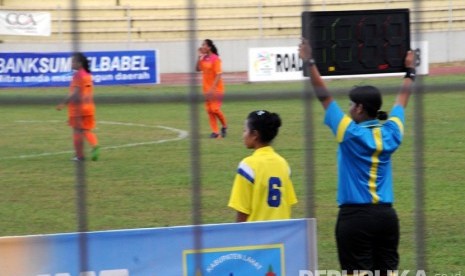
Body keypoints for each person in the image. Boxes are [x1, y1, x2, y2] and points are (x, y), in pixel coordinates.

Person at [299, 38, 415, 275]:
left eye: (351, 104)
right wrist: (410, 71)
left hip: (355, 218)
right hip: (386, 217)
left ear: (360, 108)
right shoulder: (392, 132)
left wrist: (309, 62)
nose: (348, 108)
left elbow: (324, 97)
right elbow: (402, 101)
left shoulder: (349, 133)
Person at [228, 110, 298, 222]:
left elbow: (242, 212)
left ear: (255, 135)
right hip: (281, 237)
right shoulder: (283, 164)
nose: (243, 135)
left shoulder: (247, 166)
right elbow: (287, 204)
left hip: (257, 238)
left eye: (245, 130)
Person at [56, 52, 100, 161]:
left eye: (73, 61)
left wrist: (63, 103)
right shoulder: (88, 74)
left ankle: (80, 156)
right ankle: (95, 144)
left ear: (79, 63)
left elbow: (74, 92)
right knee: (86, 130)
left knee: (76, 131)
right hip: (89, 107)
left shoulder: (78, 76)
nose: (71, 63)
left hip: (78, 109)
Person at [196, 39, 228, 139]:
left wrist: (212, 88)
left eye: (204, 45)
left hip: (216, 89)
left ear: (209, 47)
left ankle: (224, 126)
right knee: (209, 110)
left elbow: (219, 74)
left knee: (215, 109)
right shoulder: (203, 58)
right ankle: (215, 132)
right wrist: (199, 57)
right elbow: (197, 69)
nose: (202, 46)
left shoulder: (216, 59)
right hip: (206, 89)